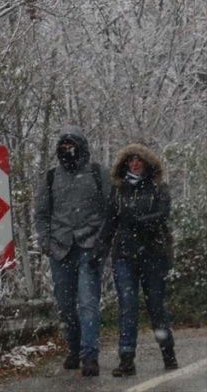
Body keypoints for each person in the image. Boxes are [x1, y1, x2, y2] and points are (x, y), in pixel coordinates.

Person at [34, 125, 111, 377]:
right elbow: (42, 214)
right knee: (66, 305)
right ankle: (74, 348)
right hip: (60, 249)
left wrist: (102, 241)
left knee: (88, 302)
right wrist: (46, 242)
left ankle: (90, 356)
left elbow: (111, 210)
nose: (68, 151)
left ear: (82, 148)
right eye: (63, 147)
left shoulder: (98, 174)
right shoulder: (50, 177)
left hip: (90, 247)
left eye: (72, 146)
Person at [98, 143, 178, 377]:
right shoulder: (118, 190)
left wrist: (141, 220)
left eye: (138, 160)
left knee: (155, 305)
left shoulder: (157, 187)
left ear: (146, 163)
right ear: (125, 164)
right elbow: (110, 220)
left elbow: (163, 213)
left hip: (153, 252)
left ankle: (168, 352)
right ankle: (126, 358)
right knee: (128, 305)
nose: (134, 163)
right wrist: (100, 246)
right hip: (124, 253)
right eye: (131, 160)